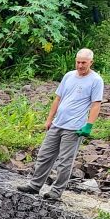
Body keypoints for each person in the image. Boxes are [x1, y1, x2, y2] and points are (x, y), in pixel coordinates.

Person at [17, 48, 103, 201]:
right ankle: (35, 185)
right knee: (44, 155)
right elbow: (58, 98)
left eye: (84, 62)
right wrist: (49, 119)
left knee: (64, 161)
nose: (80, 65)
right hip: (58, 123)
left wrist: (89, 125)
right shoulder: (69, 76)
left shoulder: (96, 80)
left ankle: (56, 192)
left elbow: (96, 104)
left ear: (91, 62)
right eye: (78, 62)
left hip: (74, 127)